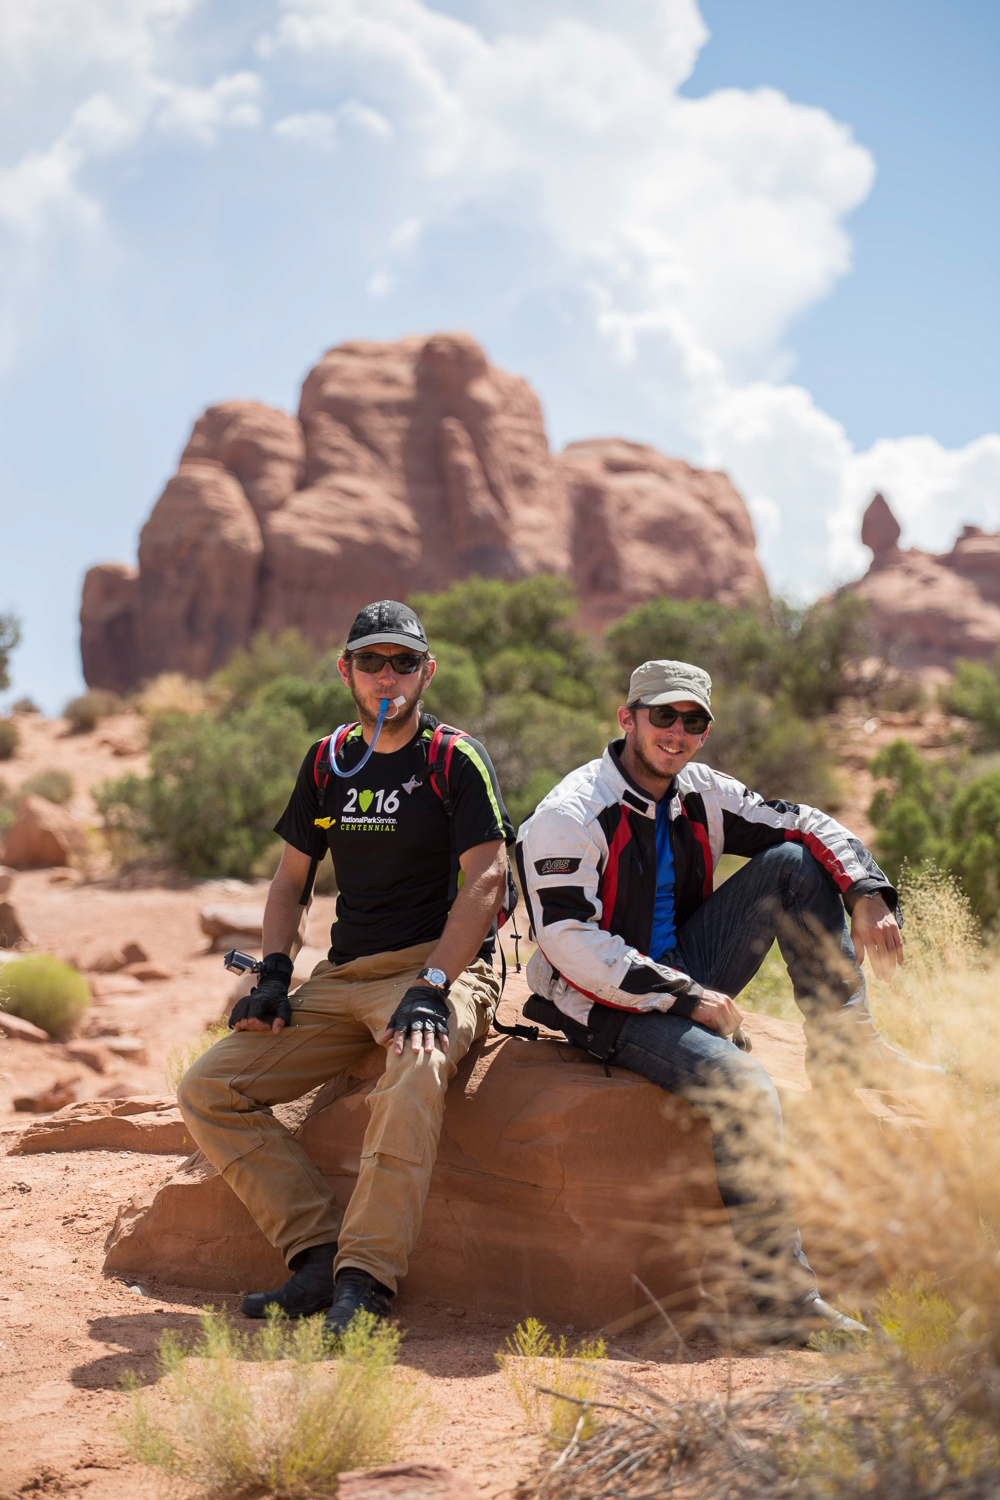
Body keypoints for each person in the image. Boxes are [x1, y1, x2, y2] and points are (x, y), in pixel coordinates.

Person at [516, 658, 941, 1342]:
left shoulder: (699, 791)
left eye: (693, 721)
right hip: (600, 1000)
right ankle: (783, 1301)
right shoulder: (571, 812)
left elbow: (802, 823)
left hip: (685, 966)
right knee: (744, 1084)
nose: (677, 732)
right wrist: (687, 999)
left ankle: (848, 1048)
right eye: (663, 716)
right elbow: (567, 940)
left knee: (797, 867)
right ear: (627, 719)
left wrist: (865, 891)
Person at [178, 600, 513, 1333]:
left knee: (414, 1072)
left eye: (402, 661)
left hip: (437, 970)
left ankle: (366, 1282)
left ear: (428, 671)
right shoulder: (328, 761)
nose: (386, 675)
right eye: (371, 661)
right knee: (209, 1087)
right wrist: (271, 975)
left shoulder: (452, 758)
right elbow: (290, 881)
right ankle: (315, 1258)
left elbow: (488, 881)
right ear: (346, 671)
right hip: (342, 979)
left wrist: (433, 987)